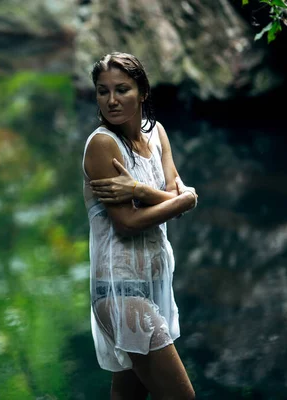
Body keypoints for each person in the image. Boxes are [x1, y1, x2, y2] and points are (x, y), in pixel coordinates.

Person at [82, 52, 198, 400]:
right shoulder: (103, 144)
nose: (112, 100)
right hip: (122, 291)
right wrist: (186, 200)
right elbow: (128, 222)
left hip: (155, 285)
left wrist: (139, 190)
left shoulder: (157, 134)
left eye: (122, 89)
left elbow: (170, 194)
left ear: (142, 92)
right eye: (103, 91)